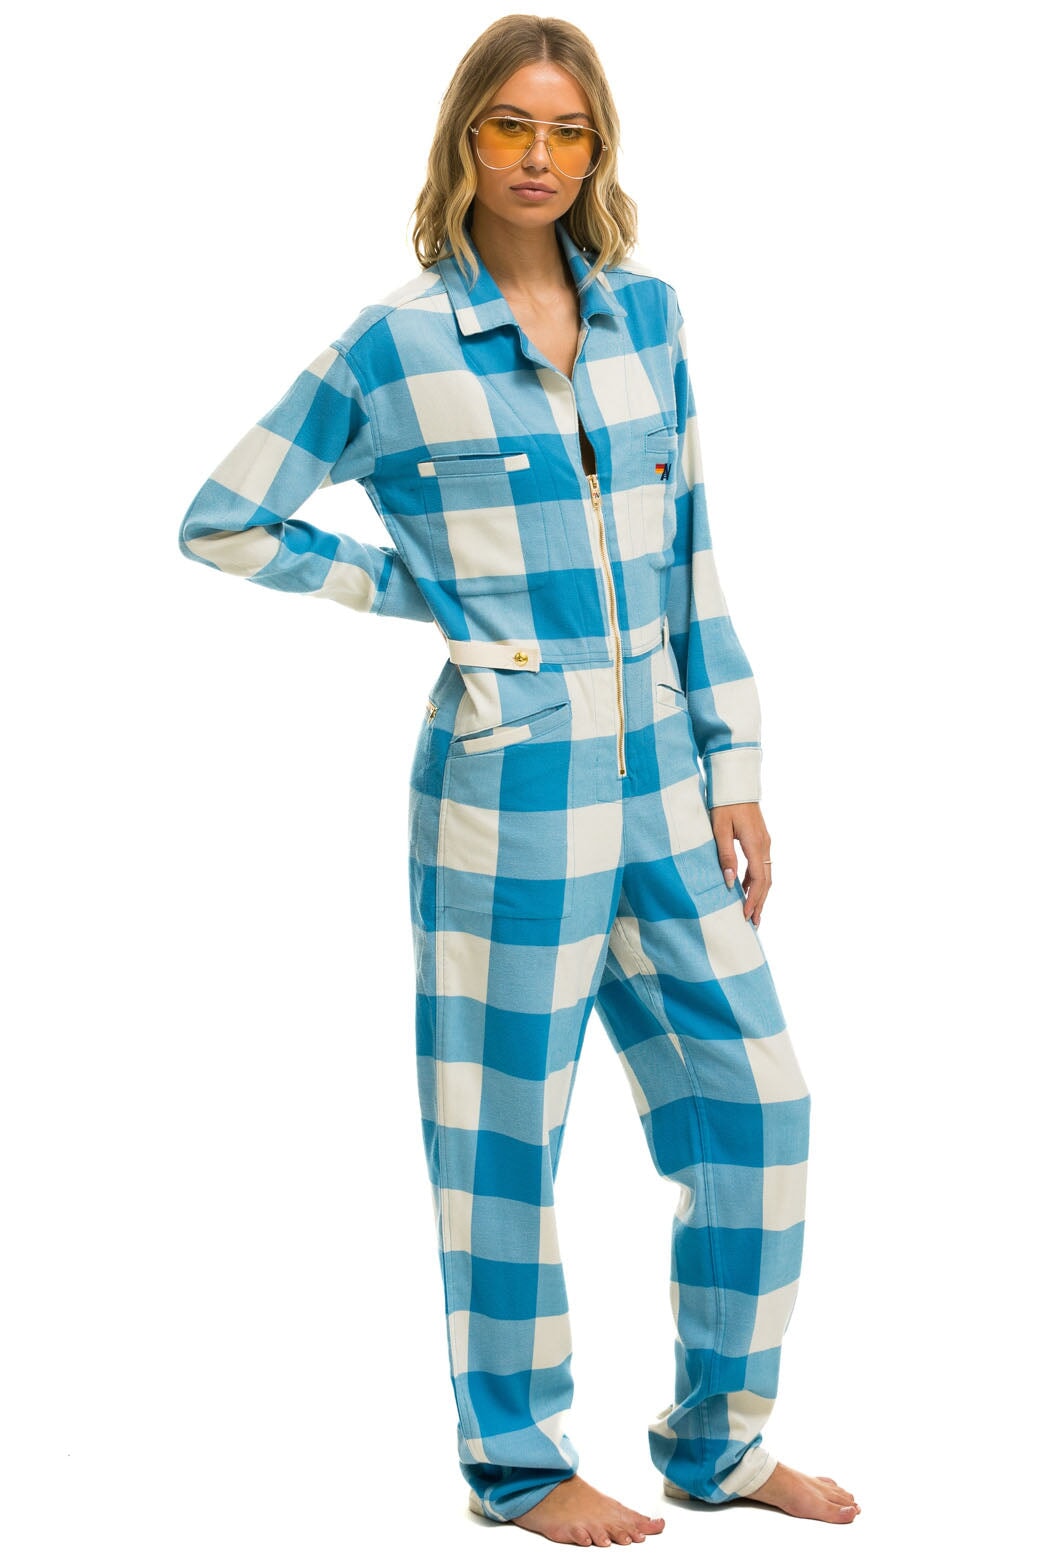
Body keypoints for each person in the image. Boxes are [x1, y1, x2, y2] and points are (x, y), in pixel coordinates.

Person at [177, 12, 860, 1547]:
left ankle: (719, 1443)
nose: (538, 158)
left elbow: (692, 556)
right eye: (509, 127)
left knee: (760, 1103)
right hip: (506, 795)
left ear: (596, 148)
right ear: (464, 141)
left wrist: (737, 763)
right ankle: (519, 1463)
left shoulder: (649, 317)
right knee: (500, 1144)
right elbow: (223, 516)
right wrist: (414, 591)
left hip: (667, 786)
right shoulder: (395, 345)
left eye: (567, 131)